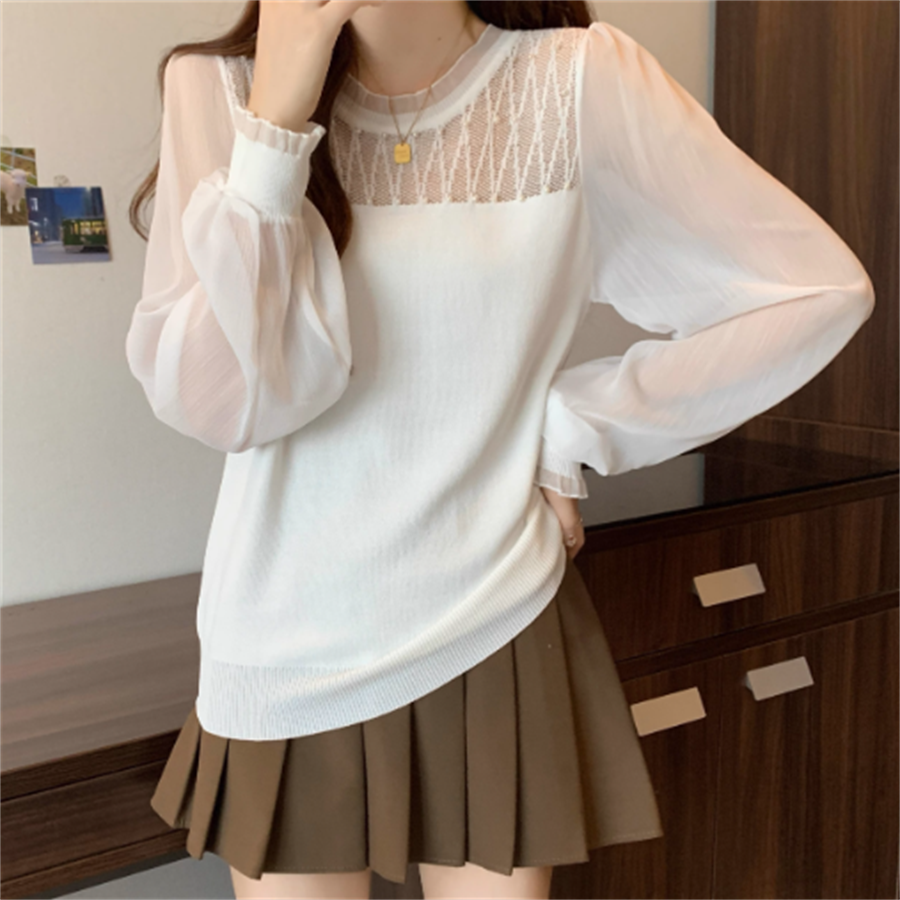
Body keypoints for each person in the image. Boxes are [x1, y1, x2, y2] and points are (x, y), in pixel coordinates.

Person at [126, 1, 875, 898]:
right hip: (283, 636)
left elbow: (813, 290)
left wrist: (575, 426)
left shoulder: (581, 79)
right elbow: (226, 405)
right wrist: (274, 134)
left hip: (490, 613)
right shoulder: (217, 88)